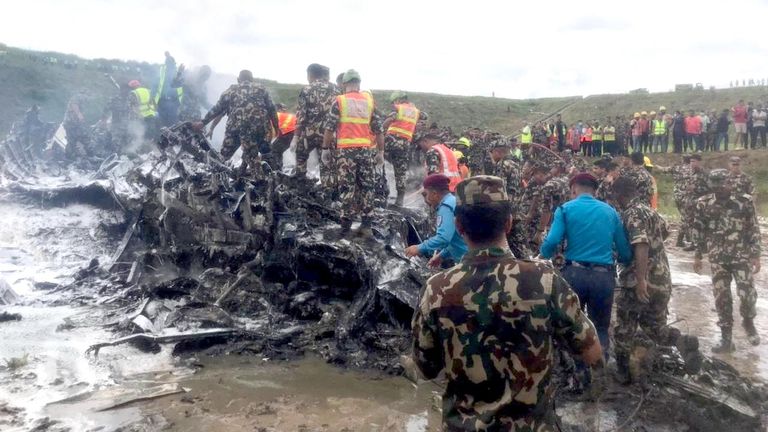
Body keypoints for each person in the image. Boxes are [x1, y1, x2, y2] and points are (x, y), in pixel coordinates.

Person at [411, 175, 602, 431]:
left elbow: (425, 369)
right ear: (509, 223)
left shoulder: (436, 289)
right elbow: (592, 353)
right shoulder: (545, 281)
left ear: (458, 226)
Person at [540, 173, 633, 361]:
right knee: (600, 326)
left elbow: (552, 242)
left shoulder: (565, 209)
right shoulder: (611, 212)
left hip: (574, 275)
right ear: (595, 191)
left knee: (572, 324)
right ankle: (600, 365)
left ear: (573, 189)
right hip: (603, 277)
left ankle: (578, 371)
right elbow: (624, 251)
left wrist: (542, 255)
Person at [692, 169, 762, 352]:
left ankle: (748, 321)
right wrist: (698, 255)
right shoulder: (703, 204)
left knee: (747, 295)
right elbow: (698, 229)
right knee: (722, 297)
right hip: (718, 258)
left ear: (730, 183)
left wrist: (755, 255)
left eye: (722, 185)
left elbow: (753, 228)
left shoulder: (744, 202)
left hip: (741, 256)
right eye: (715, 185)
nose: (719, 189)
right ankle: (726, 338)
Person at [612, 176, 673, 384]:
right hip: (662, 277)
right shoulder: (650, 210)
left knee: (625, 326)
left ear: (620, 194)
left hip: (640, 279)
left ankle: (622, 374)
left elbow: (641, 244)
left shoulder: (632, 213)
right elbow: (665, 232)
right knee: (654, 325)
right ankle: (675, 344)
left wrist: (640, 280)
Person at [322, 69, 384, 237]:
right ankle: (366, 225)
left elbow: (329, 127)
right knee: (367, 186)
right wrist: (381, 152)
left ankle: (345, 226)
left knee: (347, 186)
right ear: (359, 83)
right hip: (366, 151)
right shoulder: (369, 102)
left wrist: (325, 149)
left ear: (344, 84)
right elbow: (379, 130)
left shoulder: (340, 101)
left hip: (346, 153)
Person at [196, 70, 280, 177]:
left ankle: (215, 177)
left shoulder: (231, 90)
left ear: (238, 80)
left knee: (223, 157)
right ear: (252, 79)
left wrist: (202, 123)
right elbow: (272, 109)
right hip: (262, 129)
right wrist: (276, 128)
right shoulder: (261, 88)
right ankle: (271, 176)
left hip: (237, 129)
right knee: (265, 153)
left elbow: (217, 109)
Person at [404, 174, 467, 267]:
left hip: (469, 260)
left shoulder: (446, 207)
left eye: (426, 194)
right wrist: (441, 256)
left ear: (434, 194)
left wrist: (419, 248)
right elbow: (456, 239)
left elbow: (443, 238)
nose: (426, 199)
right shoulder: (453, 201)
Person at [486, 138, 530, 259]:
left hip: (504, 212)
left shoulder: (501, 165)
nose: (491, 156)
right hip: (516, 211)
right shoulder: (516, 165)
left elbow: (499, 190)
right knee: (519, 246)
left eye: (491, 152)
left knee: (502, 248)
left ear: (498, 152)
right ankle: (528, 268)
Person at [295, 63, 341, 181]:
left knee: (300, 157)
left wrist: (296, 137)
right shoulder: (336, 89)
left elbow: (301, 117)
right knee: (327, 164)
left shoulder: (306, 89)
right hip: (329, 135)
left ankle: (300, 184)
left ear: (310, 75)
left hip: (309, 135)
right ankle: (327, 192)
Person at [383, 91, 428, 206]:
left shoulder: (398, 108)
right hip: (405, 145)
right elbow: (425, 116)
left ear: (397, 100)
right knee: (400, 171)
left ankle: (382, 193)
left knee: (380, 164)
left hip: (391, 141)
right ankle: (400, 200)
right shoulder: (416, 111)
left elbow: (389, 120)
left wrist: (381, 130)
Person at [153, 51, 182, 127]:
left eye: (170, 62)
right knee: (162, 124)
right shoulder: (162, 72)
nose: (169, 64)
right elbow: (155, 85)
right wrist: (153, 99)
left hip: (174, 102)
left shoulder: (178, 73)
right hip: (161, 102)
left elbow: (180, 86)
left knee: (172, 125)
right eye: (167, 62)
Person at [63, 92, 90, 160]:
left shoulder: (82, 99)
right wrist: (79, 115)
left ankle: (80, 157)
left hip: (74, 124)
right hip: (70, 123)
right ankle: (68, 159)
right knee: (72, 141)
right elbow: (74, 104)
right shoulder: (78, 96)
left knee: (77, 139)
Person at [269, 104, 296, 172]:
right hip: (298, 131)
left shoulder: (273, 116)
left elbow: (272, 133)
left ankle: (277, 170)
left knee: (274, 149)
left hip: (290, 131)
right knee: (277, 147)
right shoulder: (284, 115)